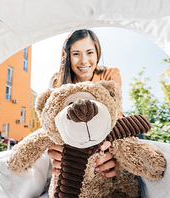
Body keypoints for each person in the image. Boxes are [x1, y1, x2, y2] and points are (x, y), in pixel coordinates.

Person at [48, 29, 123, 178]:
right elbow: (52, 123)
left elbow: (116, 115)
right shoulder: (58, 81)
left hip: (108, 132)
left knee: (133, 134)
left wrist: (114, 149)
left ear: (97, 54)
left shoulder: (110, 74)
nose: (84, 61)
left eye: (89, 52)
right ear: (68, 56)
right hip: (74, 136)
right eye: (76, 54)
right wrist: (54, 149)